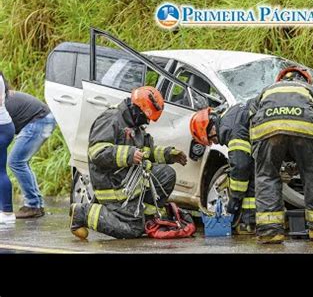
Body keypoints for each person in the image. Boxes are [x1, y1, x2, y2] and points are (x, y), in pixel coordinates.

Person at [69, 86, 187, 240]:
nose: (147, 122)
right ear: (136, 109)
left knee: (166, 174)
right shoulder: (111, 119)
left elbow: (145, 152)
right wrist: (129, 155)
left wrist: (168, 155)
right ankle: (82, 213)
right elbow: (97, 153)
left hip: (129, 182)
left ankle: (146, 217)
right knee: (132, 229)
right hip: (113, 186)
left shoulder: (134, 125)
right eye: (146, 117)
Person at [249, 66, 313, 243]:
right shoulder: (311, 90)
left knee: (267, 176)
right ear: (305, 80)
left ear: (280, 80)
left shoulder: (267, 91)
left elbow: (252, 117)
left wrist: (261, 154)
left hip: (267, 130)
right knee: (312, 174)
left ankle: (270, 232)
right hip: (306, 130)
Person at [190, 102, 256, 235]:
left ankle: (254, 224)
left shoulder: (231, 130)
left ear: (212, 130)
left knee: (257, 179)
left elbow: (240, 167)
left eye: (212, 140)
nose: (216, 142)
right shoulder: (231, 116)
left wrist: (235, 200)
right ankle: (250, 222)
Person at [4, 90, 56, 218]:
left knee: (16, 161)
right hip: (42, 118)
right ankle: (36, 205)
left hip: (39, 120)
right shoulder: (3, 94)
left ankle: (33, 205)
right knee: (19, 162)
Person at [0, 72, 16, 225]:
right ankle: (5, 211)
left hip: (1, 127)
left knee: (0, 171)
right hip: (5, 126)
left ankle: (6, 212)